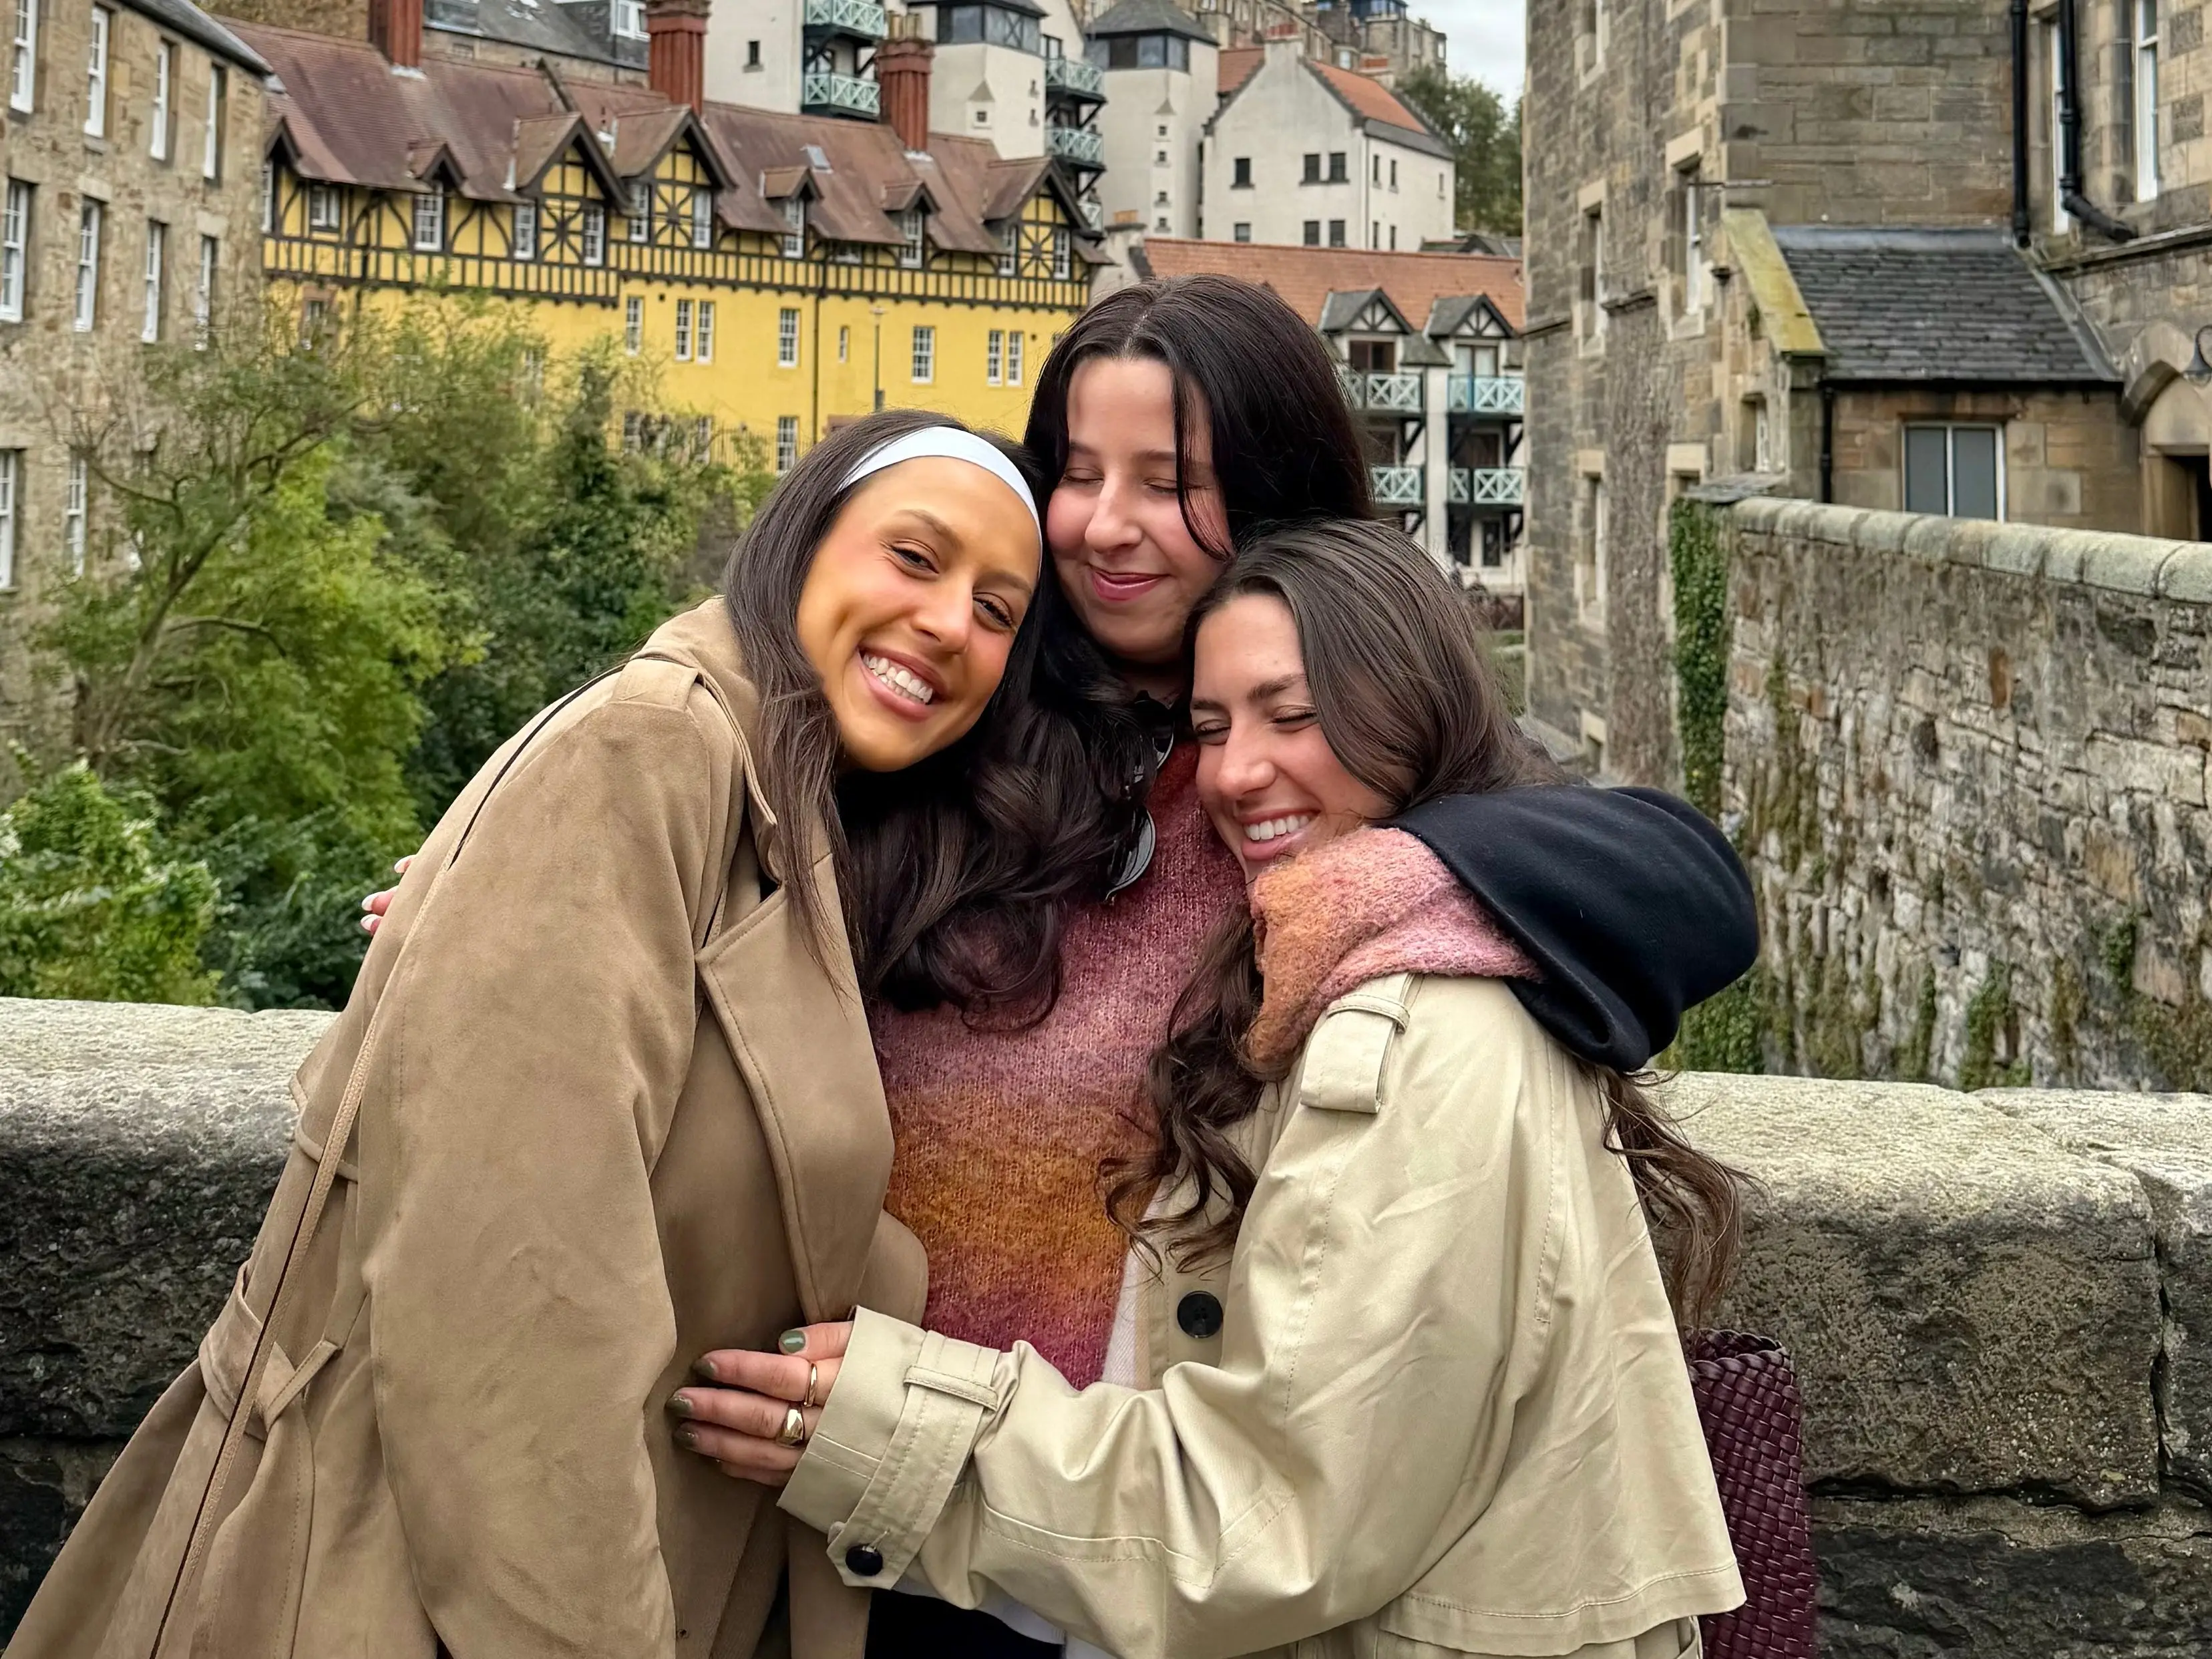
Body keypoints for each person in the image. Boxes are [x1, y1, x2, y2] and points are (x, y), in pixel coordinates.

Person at [360, 276, 1759, 1655]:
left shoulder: (1341, 792)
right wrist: (523, 904)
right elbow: (710, 851)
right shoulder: (954, 732)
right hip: (847, 1518)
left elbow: (1685, 888)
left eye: (1170, 480)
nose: (1105, 524)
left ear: (1274, 490)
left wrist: (1379, 888)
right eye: (1076, 471)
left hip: (1129, 1550)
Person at [7, 410, 1108, 1659]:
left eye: (999, 611)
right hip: (400, 1593)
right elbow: (511, 1302)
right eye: (915, 559)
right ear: (802, 544)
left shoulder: (779, 813)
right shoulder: (647, 753)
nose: (951, 624)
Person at [676, 519, 1749, 1659]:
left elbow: (1274, 1520)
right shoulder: (1380, 964)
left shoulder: (1426, 1030)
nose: (1235, 774)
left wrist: (893, 1432)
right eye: (1212, 727)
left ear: (1417, 710)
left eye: (1293, 716)